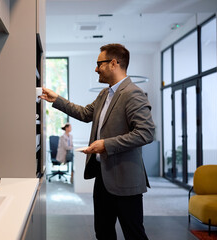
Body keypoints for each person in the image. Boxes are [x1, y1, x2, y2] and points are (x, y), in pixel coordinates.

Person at [40, 43, 155, 240]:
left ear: (113, 63)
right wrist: (57, 99)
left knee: (134, 234)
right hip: (103, 178)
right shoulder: (104, 94)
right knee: (103, 232)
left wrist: (106, 144)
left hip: (126, 180)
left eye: (98, 64)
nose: (95, 69)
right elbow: (85, 114)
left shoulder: (132, 93)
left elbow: (146, 133)